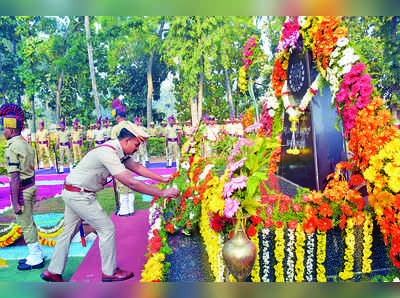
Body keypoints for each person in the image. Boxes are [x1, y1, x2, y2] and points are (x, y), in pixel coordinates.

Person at [40, 121, 179, 282]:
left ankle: (53, 271)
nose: (137, 149)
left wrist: (163, 178)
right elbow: (131, 182)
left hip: (73, 191)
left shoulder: (117, 150)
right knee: (107, 228)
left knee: (68, 232)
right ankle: (109, 271)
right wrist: (162, 193)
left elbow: (138, 168)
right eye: (136, 144)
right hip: (80, 195)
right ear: (127, 140)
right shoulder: (109, 152)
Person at [0, 103, 45, 271]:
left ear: (11, 130)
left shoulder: (12, 147)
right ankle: (36, 253)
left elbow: (14, 177)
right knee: (30, 222)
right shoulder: (26, 144)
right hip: (31, 186)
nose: (3, 132)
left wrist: (15, 201)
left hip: (22, 191)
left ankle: (36, 258)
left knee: (26, 224)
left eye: (4, 129)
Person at [111, 99, 135, 216]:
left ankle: (124, 209)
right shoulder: (132, 125)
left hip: (119, 159)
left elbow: (113, 146)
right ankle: (131, 208)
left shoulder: (116, 128)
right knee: (130, 181)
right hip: (131, 158)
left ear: (117, 117)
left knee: (121, 182)